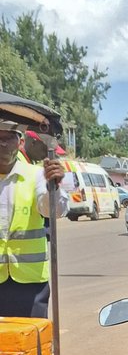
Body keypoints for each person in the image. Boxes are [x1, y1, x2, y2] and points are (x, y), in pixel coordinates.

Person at [0, 117, 67, 319]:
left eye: (9, 138)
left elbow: (53, 211)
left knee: (30, 343)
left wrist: (52, 185)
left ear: (20, 143)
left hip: (29, 283)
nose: (2, 143)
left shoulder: (37, 175)